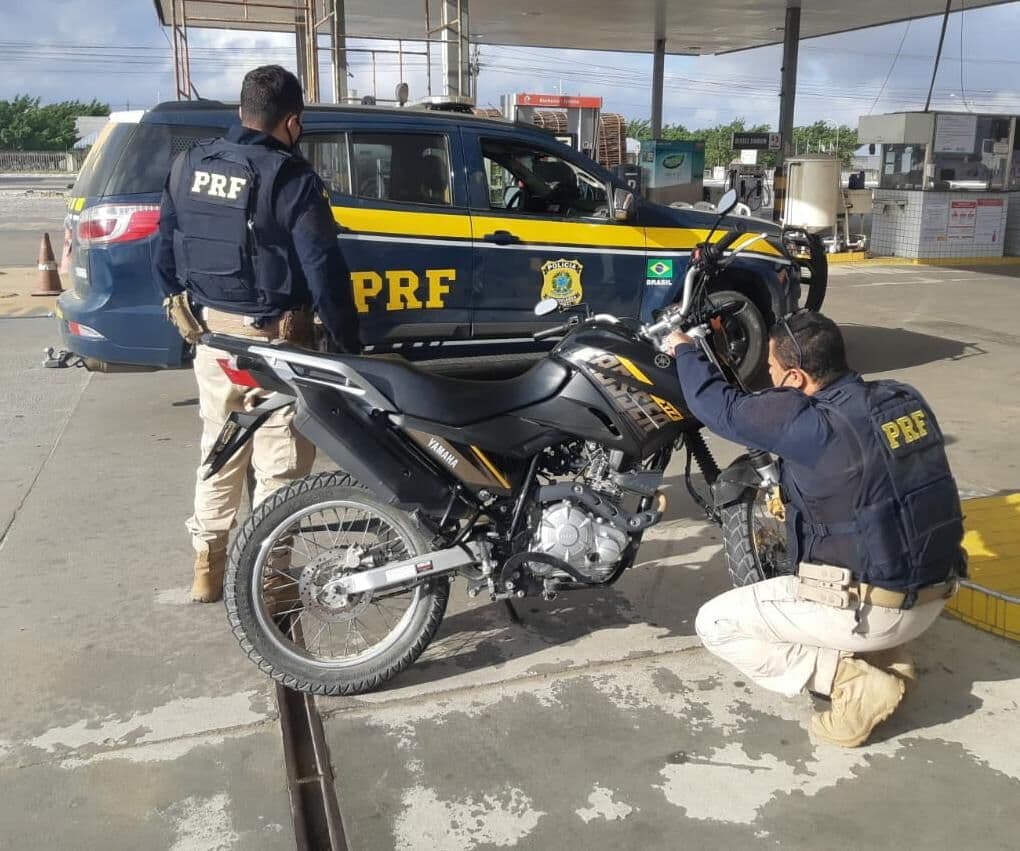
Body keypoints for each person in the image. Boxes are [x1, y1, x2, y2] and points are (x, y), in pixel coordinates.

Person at [664, 311, 965, 747]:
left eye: (771, 370)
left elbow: (719, 408)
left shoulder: (812, 424)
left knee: (715, 623)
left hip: (876, 610)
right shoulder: (903, 398)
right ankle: (888, 658)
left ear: (796, 377)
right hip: (935, 596)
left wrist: (684, 351)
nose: (767, 376)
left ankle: (851, 683)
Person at [153, 65, 360, 603]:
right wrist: (349, 343)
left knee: (217, 450)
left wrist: (186, 306)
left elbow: (164, 250)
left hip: (212, 338)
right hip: (276, 344)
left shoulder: (189, 164)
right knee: (280, 465)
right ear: (292, 121)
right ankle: (272, 581)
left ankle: (208, 568)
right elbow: (323, 269)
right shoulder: (289, 178)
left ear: (242, 109)